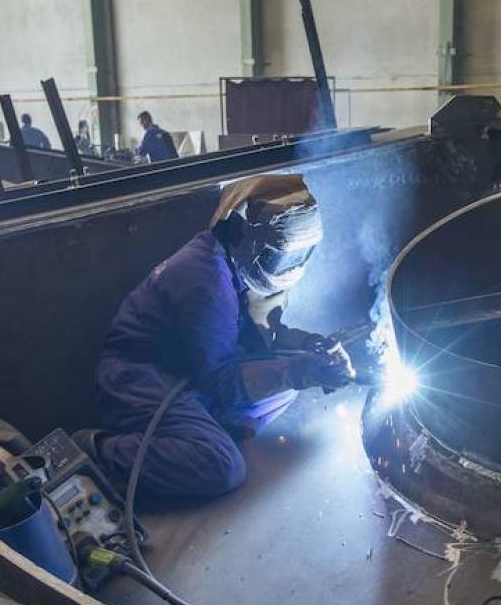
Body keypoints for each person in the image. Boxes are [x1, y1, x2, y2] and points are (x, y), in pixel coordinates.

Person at [79, 175, 352, 500]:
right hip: (139, 377)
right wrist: (300, 372)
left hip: (191, 367)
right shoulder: (206, 282)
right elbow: (221, 381)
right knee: (223, 467)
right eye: (280, 258)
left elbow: (263, 336)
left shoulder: (235, 257)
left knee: (283, 391)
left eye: (301, 256)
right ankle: (100, 449)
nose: (289, 268)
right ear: (243, 233)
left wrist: (309, 345)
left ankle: (199, 430)